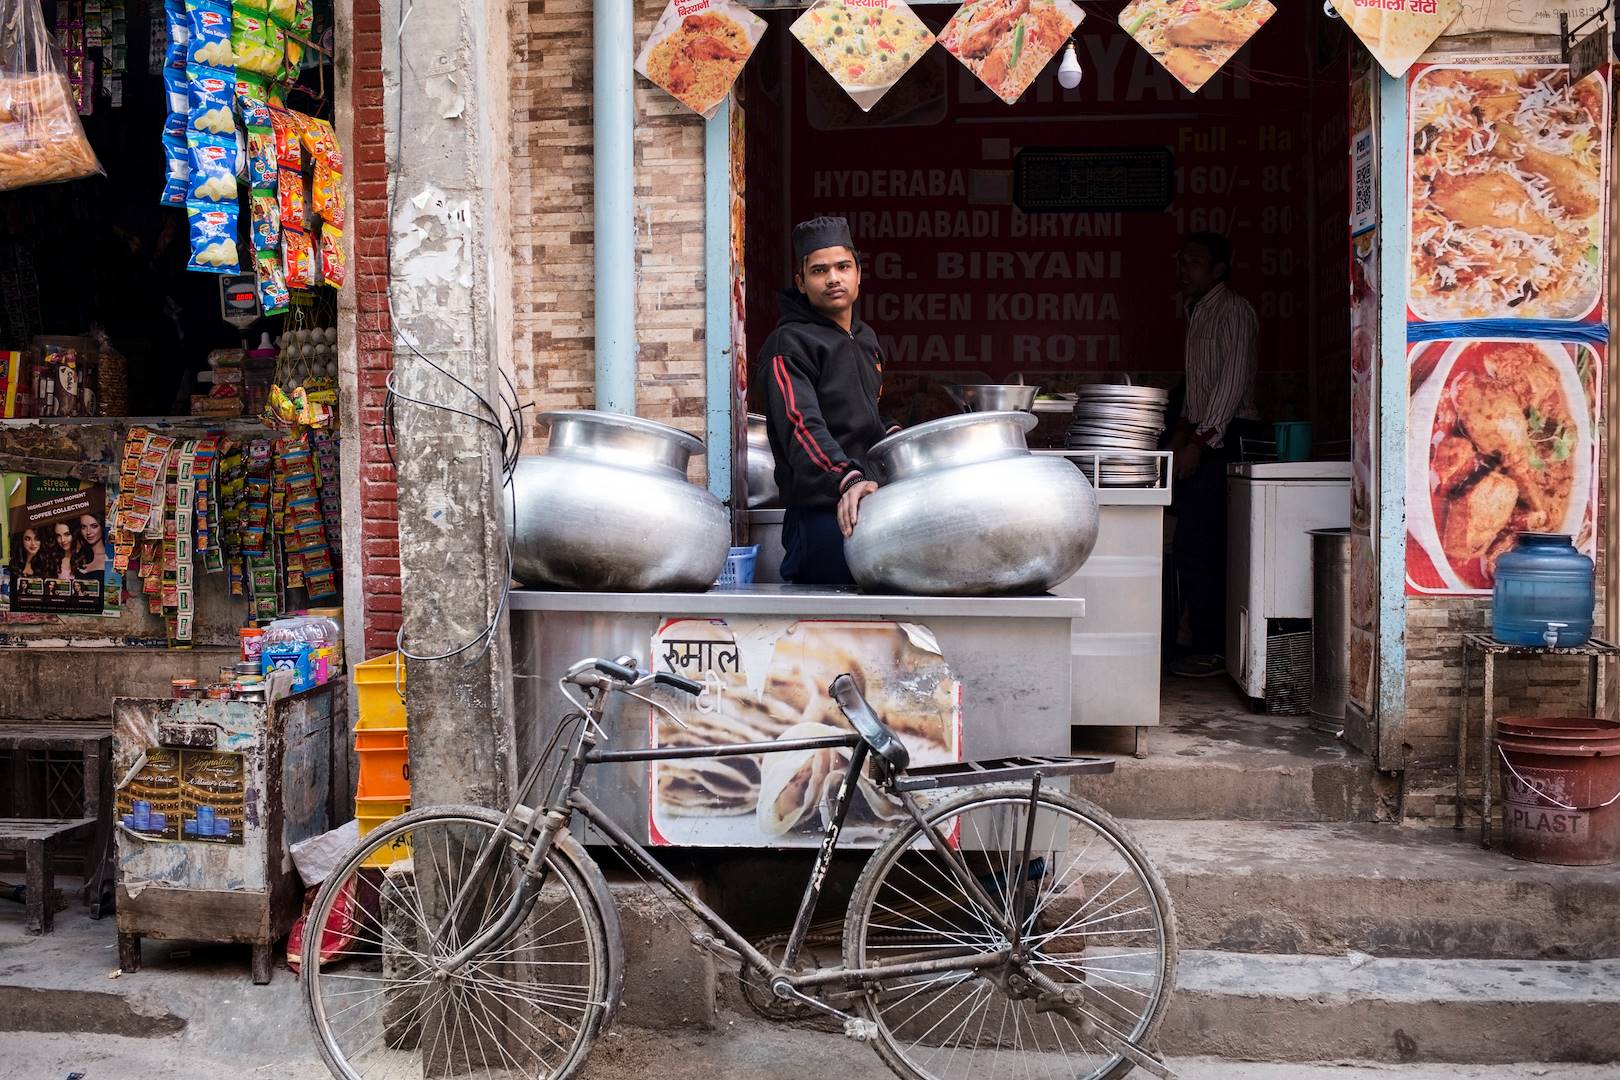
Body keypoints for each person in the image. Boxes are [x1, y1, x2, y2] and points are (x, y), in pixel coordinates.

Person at [759, 217, 894, 585]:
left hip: (871, 509)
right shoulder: (788, 345)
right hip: (821, 518)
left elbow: (865, 419)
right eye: (819, 270)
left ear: (858, 274)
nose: (833, 278)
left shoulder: (866, 340)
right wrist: (847, 479)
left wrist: (898, 442)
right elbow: (801, 426)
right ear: (802, 283)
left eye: (843, 267)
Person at [1167, 232, 1259, 679]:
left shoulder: (1234, 310)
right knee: (1189, 545)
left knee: (1206, 545)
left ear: (1219, 270)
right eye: (1182, 262)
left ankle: (1214, 648)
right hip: (1199, 437)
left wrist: (1198, 444)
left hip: (1225, 440)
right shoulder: (1197, 312)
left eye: (1195, 263)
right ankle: (1199, 638)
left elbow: (1230, 385)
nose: (1185, 270)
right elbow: (1197, 388)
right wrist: (1181, 434)